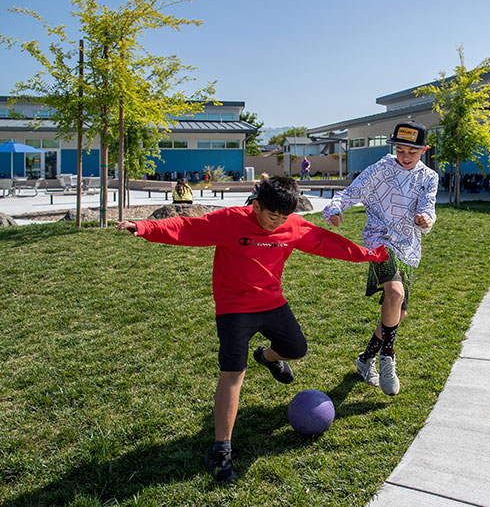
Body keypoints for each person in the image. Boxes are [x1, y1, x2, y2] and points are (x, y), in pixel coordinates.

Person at [117, 176, 387, 483]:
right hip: (234, 308)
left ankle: (269, 357)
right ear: (256, 206)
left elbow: (327, 243)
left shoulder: (293, 226)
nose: (277, 224)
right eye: (272, 216)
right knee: (233, 373)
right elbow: (187, 229)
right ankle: (220, 450)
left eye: (283, 218)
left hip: (272, 303)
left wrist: (369, 254)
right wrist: (143, 228)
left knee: (297, 349)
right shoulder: (231, 221)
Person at [322, 119, 438, 396]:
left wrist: (425, 220)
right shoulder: (380, 169)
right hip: (379, 240)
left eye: (412, 151)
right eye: (400, 150)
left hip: (408, 246)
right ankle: (388, 357)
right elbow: (349, 194)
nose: (405, 156)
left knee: (399, 311)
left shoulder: (429, 177)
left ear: (424, 150)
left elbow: (428, 208)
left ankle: (365, 359)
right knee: (395, 294)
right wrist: (334, 210)